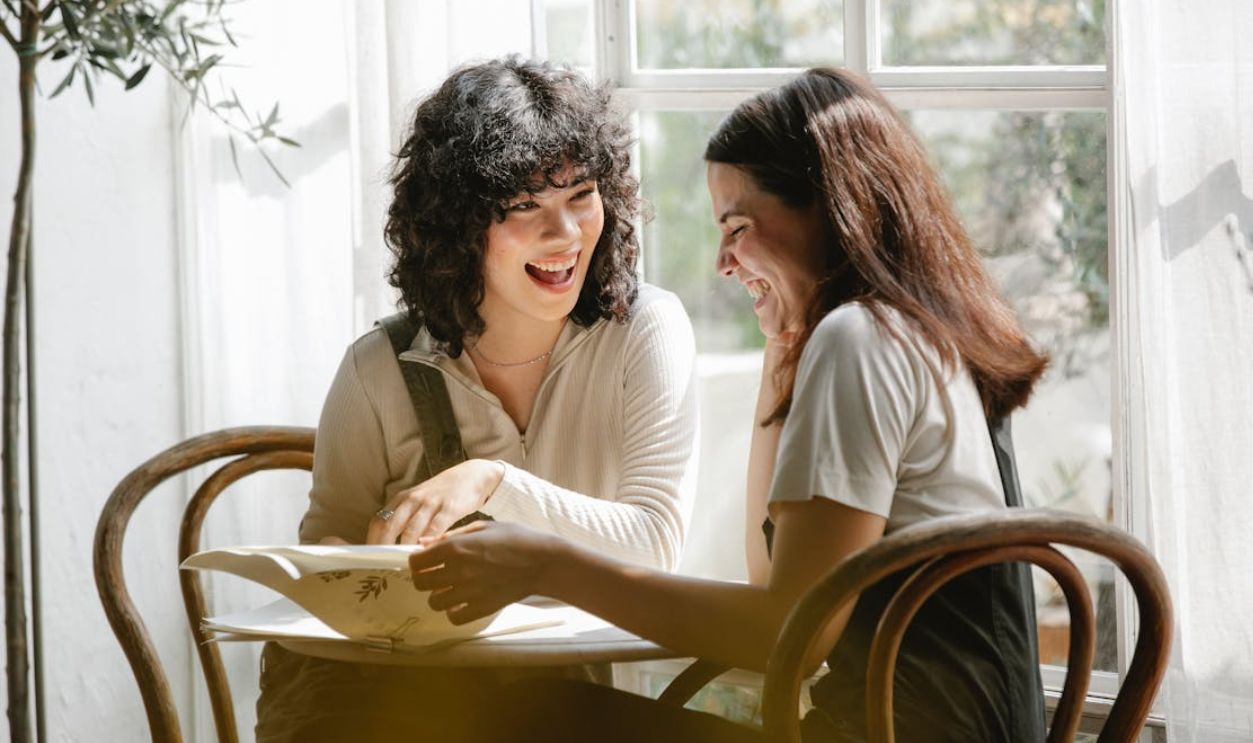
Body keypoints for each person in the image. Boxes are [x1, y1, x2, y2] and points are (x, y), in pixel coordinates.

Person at [410, 66, 1051, 743]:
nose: (721, 260)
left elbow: (788, 636)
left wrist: (546, 564)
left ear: (832, 209)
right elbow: (772, 580)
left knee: (532, 715)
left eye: (738, 225)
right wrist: (781, 357)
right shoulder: (916, 329)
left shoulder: (859, 338)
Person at [254, 57, 699, 742]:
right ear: (459, 226)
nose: (567, 233)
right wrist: (367, 561)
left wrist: (491, 481)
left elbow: (655, 545)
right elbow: (326, 544)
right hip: (406, 706)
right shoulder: (379, 367)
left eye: (580, 194)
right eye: (524, 205)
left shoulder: (643, 331)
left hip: (563, 708)